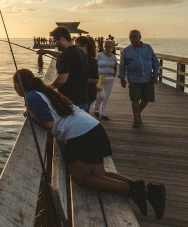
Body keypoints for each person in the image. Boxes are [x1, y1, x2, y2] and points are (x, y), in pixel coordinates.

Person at [13, 68, 166, 220]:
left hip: (79, 135)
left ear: (18, 85)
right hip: (92, 128)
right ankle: (149, 191)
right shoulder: (44, 90)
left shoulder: (32, 97)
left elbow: (48, 123)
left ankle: (132, 189)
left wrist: (30, 114)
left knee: (83, 179)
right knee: (99, 174)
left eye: (14, 85)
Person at [37, 26, 89, 111]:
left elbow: (62, 80)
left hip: (72, 101)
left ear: (61, 39)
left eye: (55, 41)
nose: (54, 44)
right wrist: (46, 51)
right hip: (83, 98)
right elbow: (62, 56)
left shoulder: (67, 54)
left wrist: (47, 88)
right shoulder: (78, 51)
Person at [119, 30, 160, 129]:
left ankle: (138, 113)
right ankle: (136, 118)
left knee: (146, 98)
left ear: (140, 37)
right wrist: (122, 78)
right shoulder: (126, 50)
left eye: (134, 37)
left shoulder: (148, 48)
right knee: (135, 99)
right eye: (131, 37)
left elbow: (155, 61)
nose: (133, 39)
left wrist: (156, 74)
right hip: (134, 78)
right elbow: (122, 65)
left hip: (147, 78)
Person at [94, 40, 117, 120]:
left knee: (106, 97)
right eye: (105, 46)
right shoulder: (99, 55)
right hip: (100, 77)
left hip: (110, 78)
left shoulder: (114, 57)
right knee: (101, 95)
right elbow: (94, 63)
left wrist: (114, 75)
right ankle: (96, 109)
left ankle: (104, 114)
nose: (107, 48)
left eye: (109, 46)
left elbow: (115, 67)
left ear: (113, 48)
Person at [75, 36, 99, 113]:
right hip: (83, 94)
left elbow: (95, 80)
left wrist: (78, 78)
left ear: (85, 46)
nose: (75, 49)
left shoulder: (90, 60)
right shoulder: (81, 57)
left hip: (88, 94)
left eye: (77, 46)